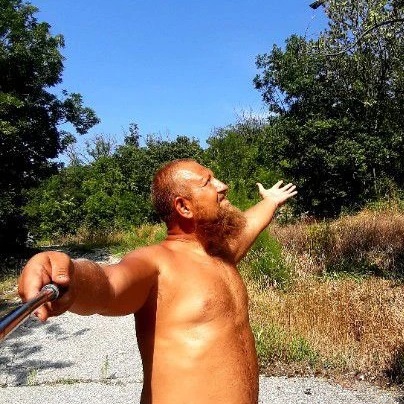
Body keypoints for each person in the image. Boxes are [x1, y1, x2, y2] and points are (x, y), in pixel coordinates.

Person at [18, 159, 297, 404]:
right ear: (184, 207)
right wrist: (71, 275)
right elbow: (109, 284)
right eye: (208, 182)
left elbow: (250, 223)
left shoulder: (221, 254)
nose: (223, 186)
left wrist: (271, 201)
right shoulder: (156, 263)